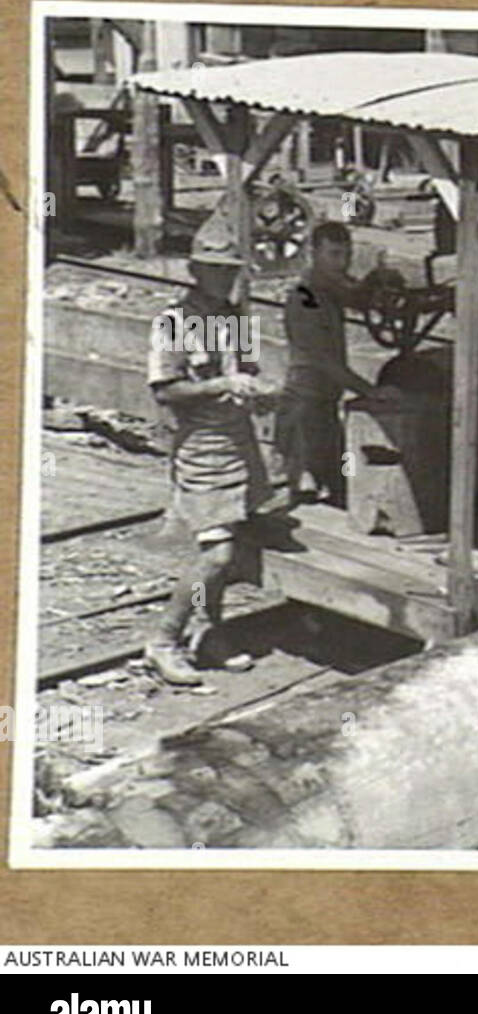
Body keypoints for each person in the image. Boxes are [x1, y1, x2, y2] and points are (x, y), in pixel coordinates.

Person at [144, 247, 278, 687]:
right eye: (215, 270)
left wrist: (260, 393)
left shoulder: (237, 317)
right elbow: (165, 390)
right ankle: (164, 642)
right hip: (202, 447)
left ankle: (209, 633)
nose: (224, 278)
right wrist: (222, 383)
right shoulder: (175, 322)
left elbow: (249, 369)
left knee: (229, 545)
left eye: (231, 271)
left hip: (240, 441)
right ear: (194, 270)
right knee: (216, 555)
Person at [274, 222, 399, 505]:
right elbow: (324, 362)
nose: (341, 264)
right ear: (313, 253)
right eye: (333, 255)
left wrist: (377, 282)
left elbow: (356, 295)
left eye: (347, 255)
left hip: (325, 407)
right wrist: (371, 391)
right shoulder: (305, 299)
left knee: (339, 486)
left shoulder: (328, 290)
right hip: (303, 411)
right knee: (299, 497)